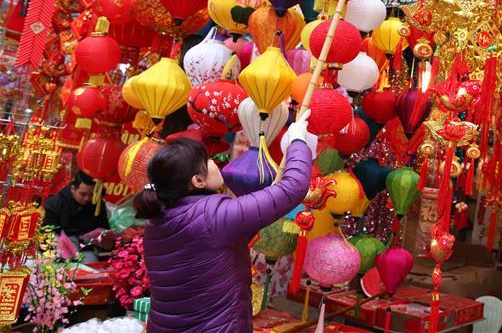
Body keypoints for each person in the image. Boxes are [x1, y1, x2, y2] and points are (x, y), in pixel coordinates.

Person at [136, 113, 315, 333]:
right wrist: (298, 142)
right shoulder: (212, 215)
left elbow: (206, 254)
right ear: (198, 180)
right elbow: (294, 187)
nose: (214, 162)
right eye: (207, 160)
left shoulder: (157, 221)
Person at [43, 170, 110, 261]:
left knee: (91, 261)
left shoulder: (97, 204)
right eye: (82, 194)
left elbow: (104, 228)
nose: (87, 198)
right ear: (72, 189)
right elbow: (46, 230)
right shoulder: (55, 203)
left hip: (86, 248)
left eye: (91, 194)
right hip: (59, 249)